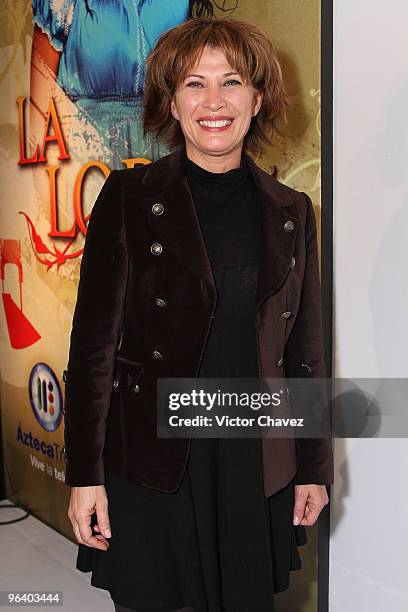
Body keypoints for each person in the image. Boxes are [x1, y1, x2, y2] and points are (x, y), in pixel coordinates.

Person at [63, 16, 334, 612]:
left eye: (231, 82)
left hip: (251, 458)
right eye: (194, 84)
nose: (214, 101)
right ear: (172, 102)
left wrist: (314, 465)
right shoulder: (130, 198)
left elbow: (304, 352)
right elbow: (93, 350)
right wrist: (84, 473)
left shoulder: (292, 210)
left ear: (257, 99)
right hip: (154, 461)